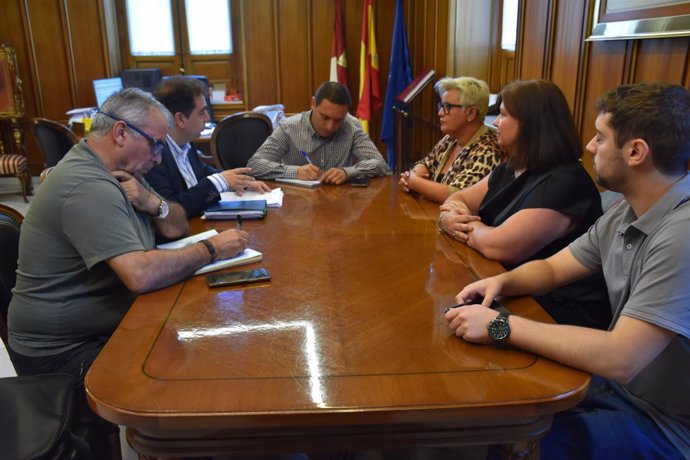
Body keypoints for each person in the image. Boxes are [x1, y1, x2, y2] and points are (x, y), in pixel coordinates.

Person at [447, 82, 690, 459]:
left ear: (636, 152)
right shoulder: (628, 210)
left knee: (504, 443)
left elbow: (620, 358)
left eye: (599, 138)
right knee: (482, 412)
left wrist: (499, 326)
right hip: (616, 390)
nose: (589, 147)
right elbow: (552, 269)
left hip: (663, 424)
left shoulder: (682, 235)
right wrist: (500, 282)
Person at [7, 88, 249, 457]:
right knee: (188, 371)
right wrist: (211, 249)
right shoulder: (87, 185)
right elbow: (140, 275)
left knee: (202, 340)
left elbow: (176, 226)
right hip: (63, 351)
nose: (158, 157)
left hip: (98, 324)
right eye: (154, 145)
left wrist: (152, 203)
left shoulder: (120, 171)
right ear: (121, 133)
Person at [438, 79, 610, 329]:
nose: (495, 122)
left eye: (504, 115)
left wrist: (456, 225)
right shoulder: (513, 166)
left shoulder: (566, 183)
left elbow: (499, 246)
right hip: (508, 283)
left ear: (531, 123)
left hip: (556, 309)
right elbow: (459, 197)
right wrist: (449, 217)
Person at [144, 76, 271, 218]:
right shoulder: (154, 156)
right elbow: (169, 211)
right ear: (180, 119)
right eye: (201, 112)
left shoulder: (185, 142)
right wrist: (219, 182)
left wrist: (237, 181)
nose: (207, 118)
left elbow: (202, 171)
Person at [247, 81, 389, 184]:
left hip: (338, 204)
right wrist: (295, 172)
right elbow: (254, 165)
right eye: (325, 117)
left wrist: (348, 172)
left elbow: (380, 164)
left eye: (338, 120)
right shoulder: (289, 128)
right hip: (297, 206)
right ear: (313, 103)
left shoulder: (351, 126)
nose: (329, 127)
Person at [398, 76, 504, 203]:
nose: (440, 113)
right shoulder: (451, 138)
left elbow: (458, 194)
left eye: (447, 106)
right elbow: (427, 162)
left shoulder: (489, 149)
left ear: (471, 113)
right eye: (441, 106)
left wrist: (414, 181)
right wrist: (417, 173)